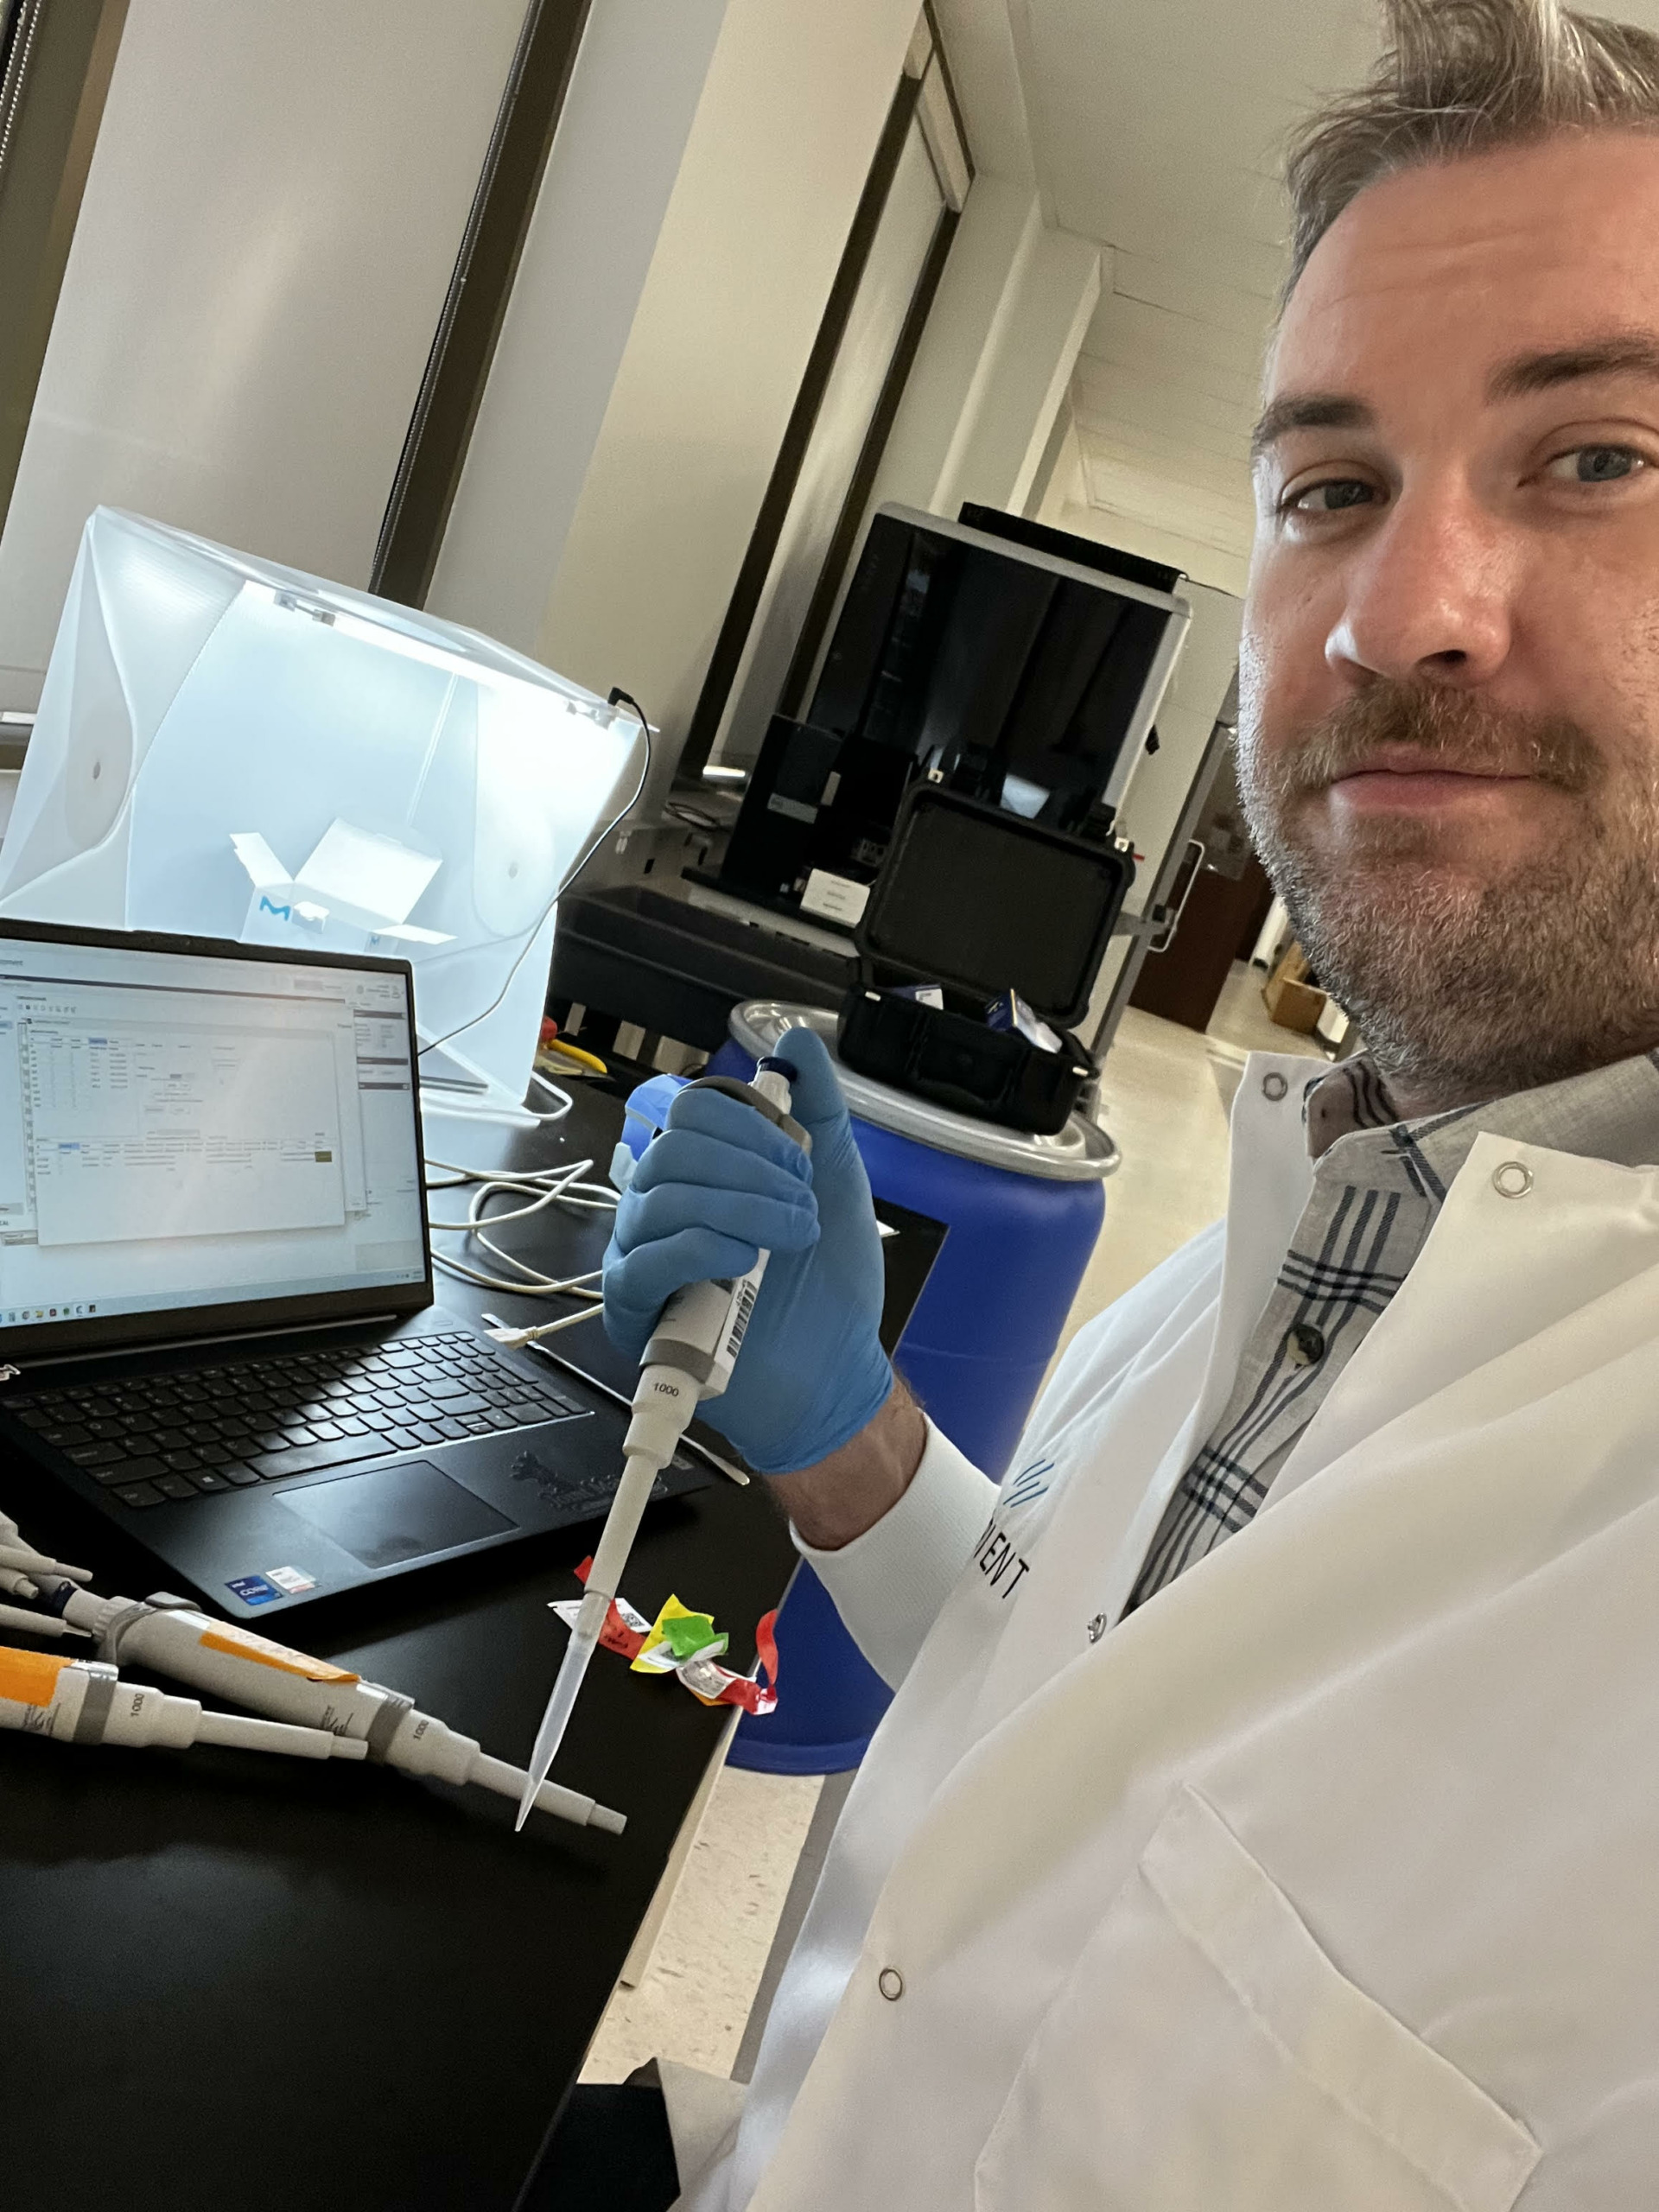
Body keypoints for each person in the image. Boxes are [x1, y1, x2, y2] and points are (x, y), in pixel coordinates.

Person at [592, 2, 1659, 2202]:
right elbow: (1072, 1709)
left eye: (1601, 458)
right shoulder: (1332, 1193)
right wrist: (849, 1441)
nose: (1400, 613)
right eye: (1331, 488)